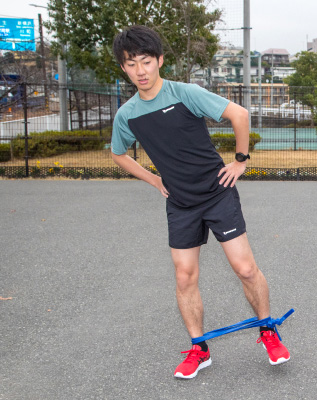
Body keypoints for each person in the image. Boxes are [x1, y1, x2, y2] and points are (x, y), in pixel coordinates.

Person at [110, 25, 290, 379]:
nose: (141, 70)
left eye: (146, 61)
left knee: (245, 269)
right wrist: (154, 179)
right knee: (184, 276)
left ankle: (268, 331)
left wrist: (240, 160)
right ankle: (199, 349)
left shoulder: (184, 93)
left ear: (160, 61)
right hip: (180, 203)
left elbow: (239, 114)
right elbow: (118, 154)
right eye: (132, 64)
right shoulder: (127, 115)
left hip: (217, 193)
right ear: (124, 68)